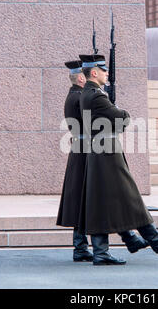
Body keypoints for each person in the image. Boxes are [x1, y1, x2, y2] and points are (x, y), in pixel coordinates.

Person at [78, 54, 158, 266]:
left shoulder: (87, 94)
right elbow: (122, 117)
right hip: (106, 154)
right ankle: (154, 239)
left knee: (103, 201)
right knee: (129, 195)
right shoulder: (97, 96)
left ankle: (105, 251)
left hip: (99, 152)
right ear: (94, 73)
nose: (107, 74)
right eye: (104, 71)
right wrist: (120, 116)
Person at [56, 60, 93, 262]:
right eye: (87, 75)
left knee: (81, 199)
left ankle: (80, 247)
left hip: (80, 149)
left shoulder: (74, 95)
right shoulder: (79, 97)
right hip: (84, 151)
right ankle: (81, 247)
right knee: (82, 198)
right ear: (80, 78)